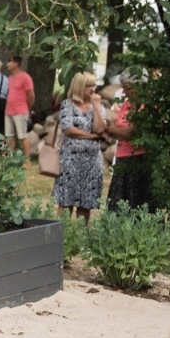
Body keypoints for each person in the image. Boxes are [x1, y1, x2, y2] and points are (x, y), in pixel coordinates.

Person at [53, 71, 108, 225]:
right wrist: (91, 137)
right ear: (79, 86)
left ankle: (81, 238)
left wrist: (96, 107)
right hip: (71, 160)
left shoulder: (98, 106)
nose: (92, 89)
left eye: (94, 85)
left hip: (91, 162)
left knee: (86, 202)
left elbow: (99, 129)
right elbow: (68, 128)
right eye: (88, 86)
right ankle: (62, 236)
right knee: (66, 201)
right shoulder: (68, 104)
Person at [105, 67, 156, 212]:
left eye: (127, 88)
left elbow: (132, 132)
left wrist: (115, 131)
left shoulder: (146, 105)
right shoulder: (127, 104)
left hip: (139, 160)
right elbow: (119, 125)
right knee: (118, 205)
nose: (124, 92)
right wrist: (118, 130)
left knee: (137, 203)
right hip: (122, 157)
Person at [5, 55, 35, 157]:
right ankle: (9, 158)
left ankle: (26, 159)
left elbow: (31, 95)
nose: (7, 64)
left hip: (20, 111)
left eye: (10, 61)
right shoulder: (10, 78)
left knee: (22, 136)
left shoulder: (25, 77)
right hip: (8, 110)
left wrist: (27, 107)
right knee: (9, 136)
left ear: (16, 63)